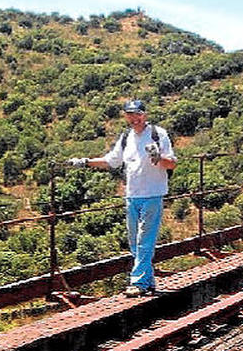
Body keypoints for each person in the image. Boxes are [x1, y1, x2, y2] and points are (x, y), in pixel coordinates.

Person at [69, 99, 177, 296]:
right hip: (132, 195)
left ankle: (139, 283)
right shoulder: (126, 137)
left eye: (137, 114)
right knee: (134, 242)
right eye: (130, 114)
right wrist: (85, 162)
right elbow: (112, 161)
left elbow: (171, 163)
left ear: (145, 114)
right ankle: (148, 280)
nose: (134, 118)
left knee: (145, 239)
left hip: (153, 193)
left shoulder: (157, 134)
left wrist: (158, 158)